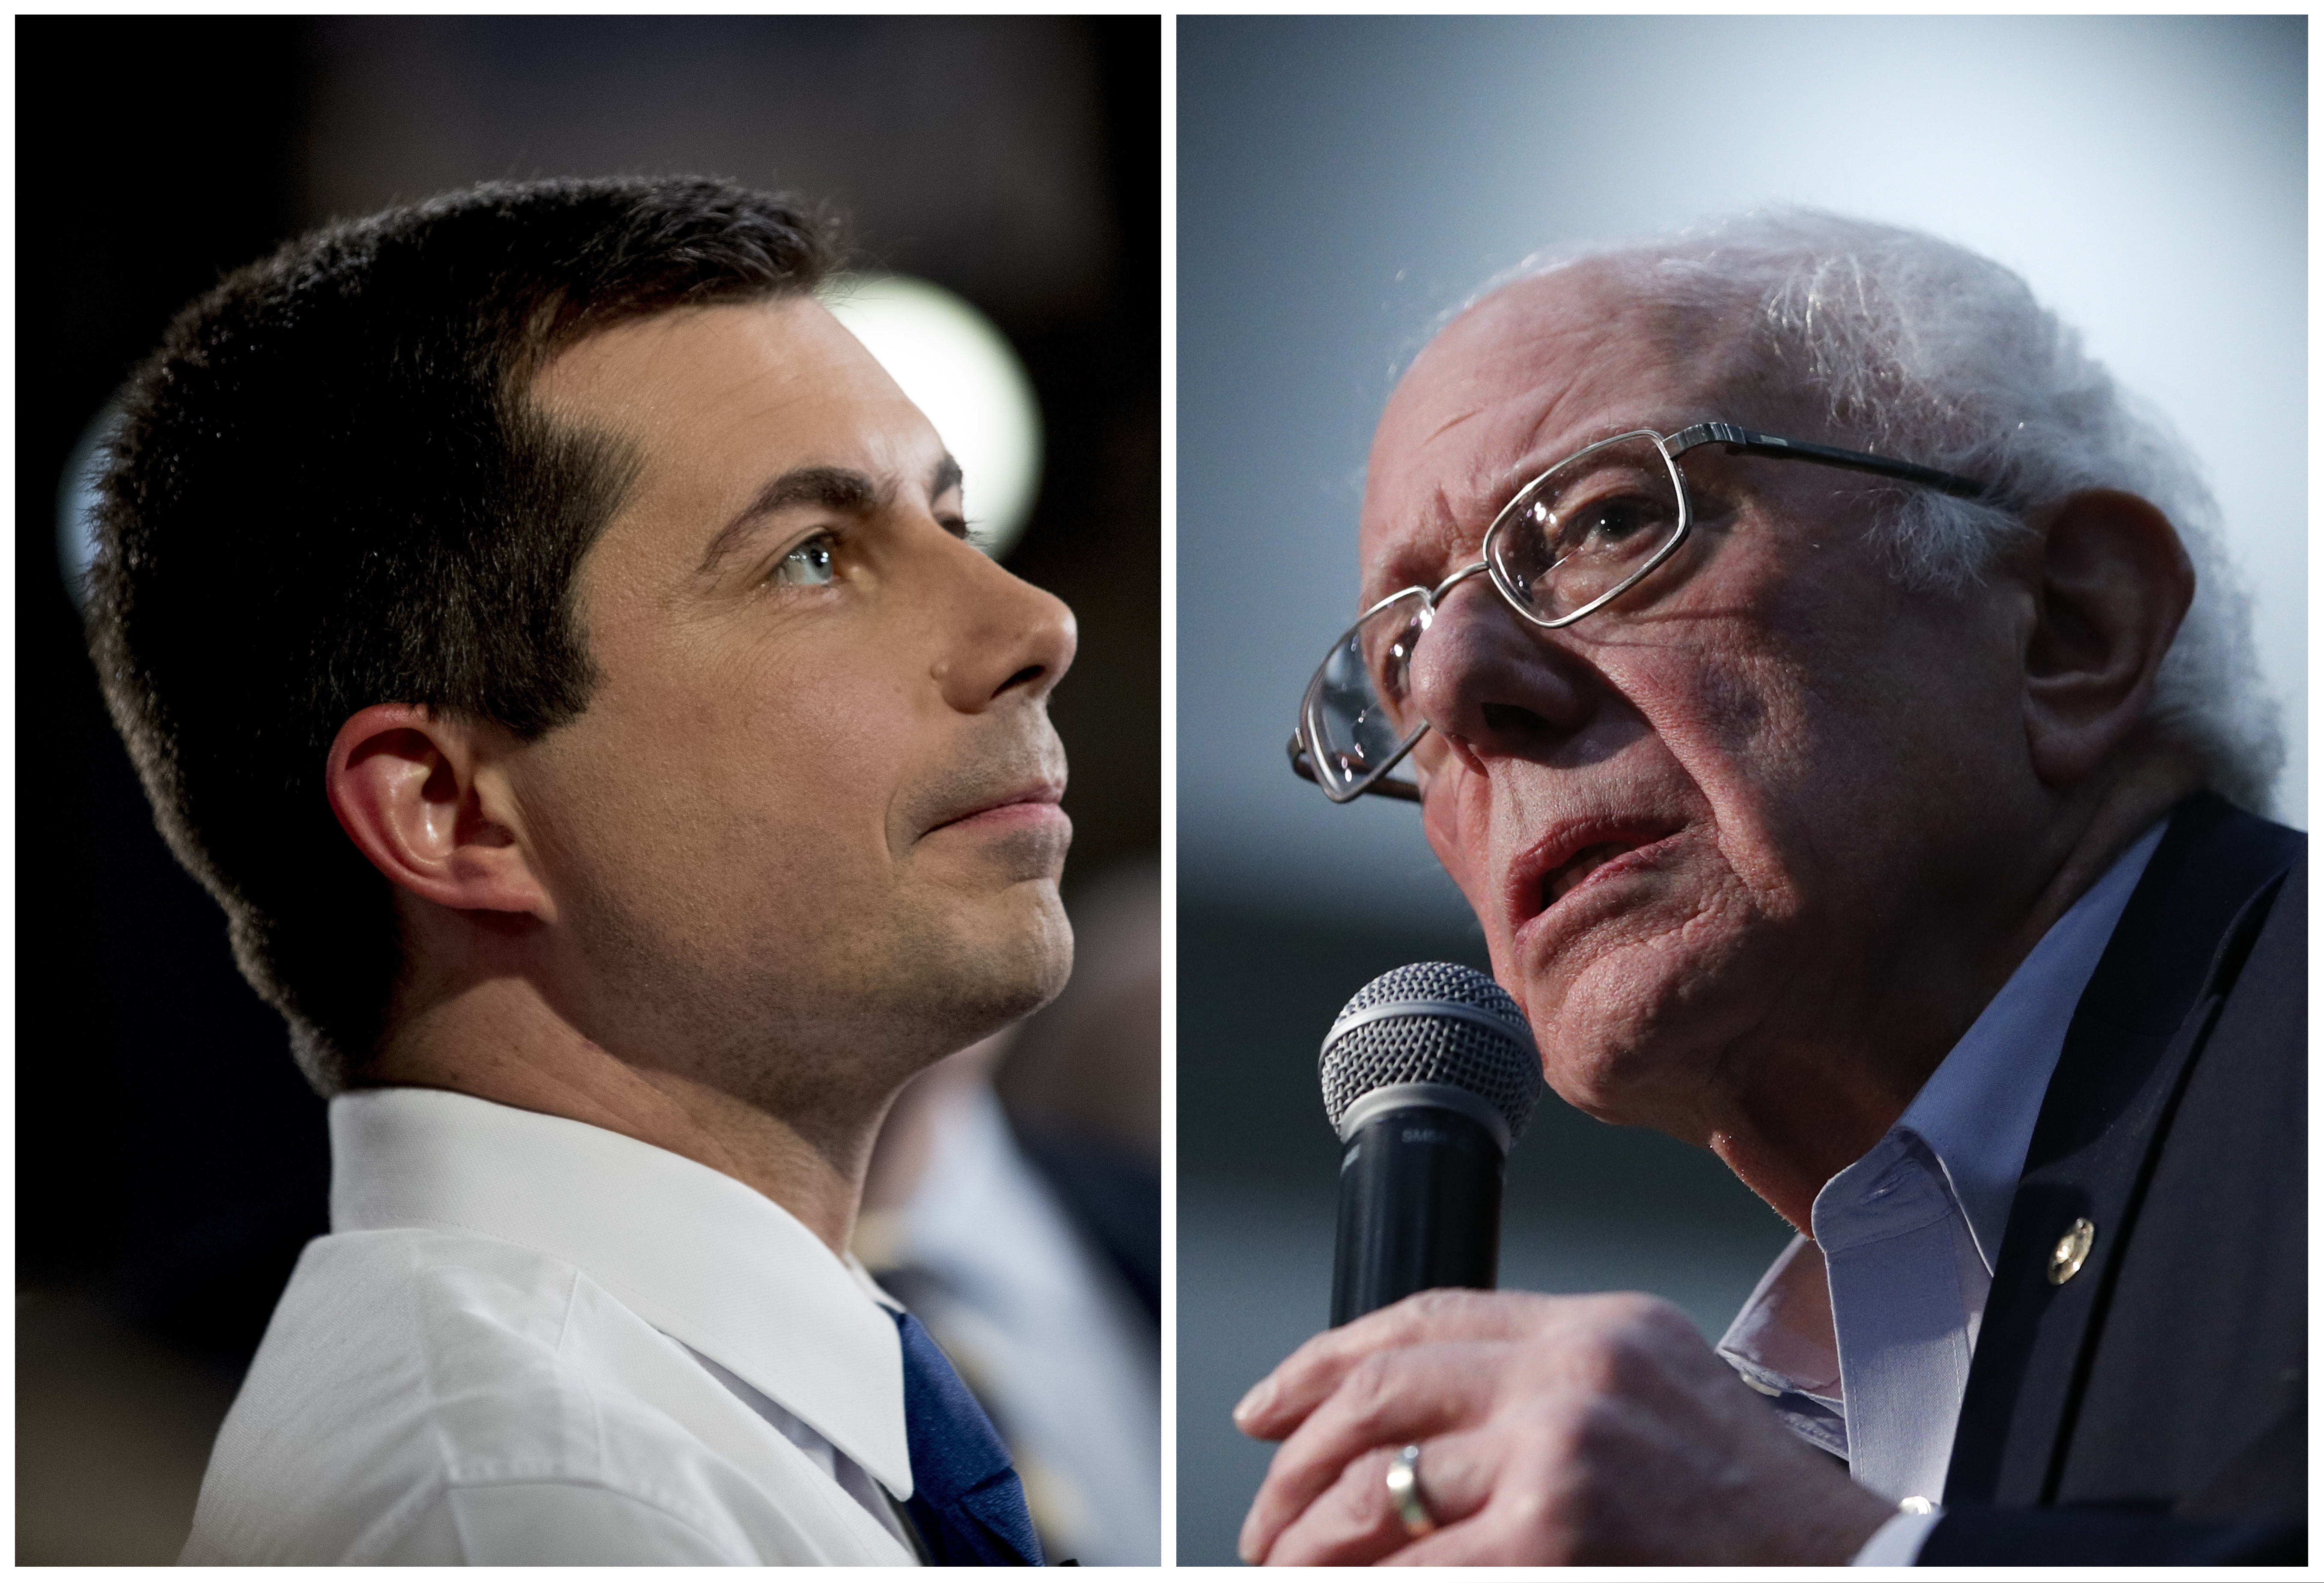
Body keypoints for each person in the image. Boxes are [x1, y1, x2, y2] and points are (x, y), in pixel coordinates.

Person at [1243, 210, 2302, 1566]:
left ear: (2069, 628)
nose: (1454, 691)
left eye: (1605, 524)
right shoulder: (1800, 1418)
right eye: (1396, 658)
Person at [86, 176, 1077, 1565]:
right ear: (452, 813)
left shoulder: (667, 1438)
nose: (1034, 623)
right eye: (811, 557)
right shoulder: (532, 1510)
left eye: (950, 525)